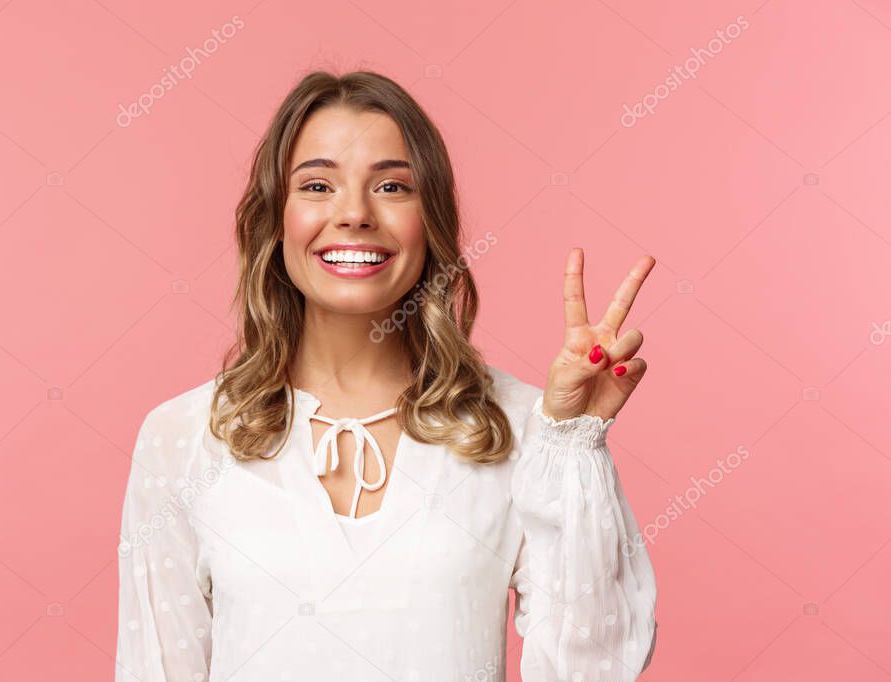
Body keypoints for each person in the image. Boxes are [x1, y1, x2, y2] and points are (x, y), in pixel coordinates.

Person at [114, 70, 658, 681]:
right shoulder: (183, 437)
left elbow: (587, 670)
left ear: (433, 221)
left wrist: (572, 443)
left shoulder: (523, 430)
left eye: (393, 186)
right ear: (275, 218)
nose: (354, 214)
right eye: (318, 184)